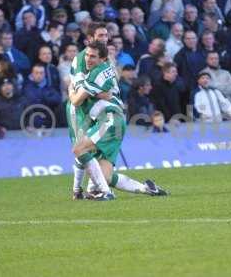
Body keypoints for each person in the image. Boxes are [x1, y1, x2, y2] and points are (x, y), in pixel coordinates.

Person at [68, 42, 167, 200]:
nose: (88, 59)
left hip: (109, 119)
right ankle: (147, 188)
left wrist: (71, 90)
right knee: (105, 177)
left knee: (78, 149)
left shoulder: (96, 74)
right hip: (115, 121)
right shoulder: (105, 70)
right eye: (87, 55)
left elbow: (75, 101)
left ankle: (105, 193)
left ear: (103, 59)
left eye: (93, 56)